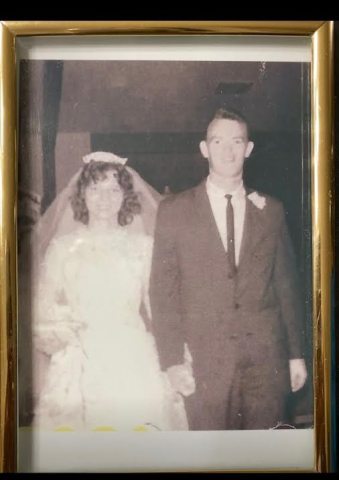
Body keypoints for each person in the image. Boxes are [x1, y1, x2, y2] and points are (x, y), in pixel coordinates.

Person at [149, 108, 308, 430]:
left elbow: (287, 287)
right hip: (203, 363)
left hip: (267, 362)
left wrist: (296, 354)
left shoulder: (272, 209)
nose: (228, 150)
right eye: (218, 141)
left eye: (237, 141)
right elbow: (163, 291)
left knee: (265, 456)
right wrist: (172, 361)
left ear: (248, 149)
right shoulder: (173, 211)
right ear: (204, 149)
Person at [30, 151, 192, 431]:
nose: (104, 198)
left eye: (113, 189)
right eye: (95, 188)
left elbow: (161, 310)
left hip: (133, 359)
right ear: (82, 194)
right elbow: (43, 312)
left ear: (125, 196)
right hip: (78, 364)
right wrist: (63, 326)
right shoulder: (62, 249)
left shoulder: (143, 247)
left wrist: (180, 359)